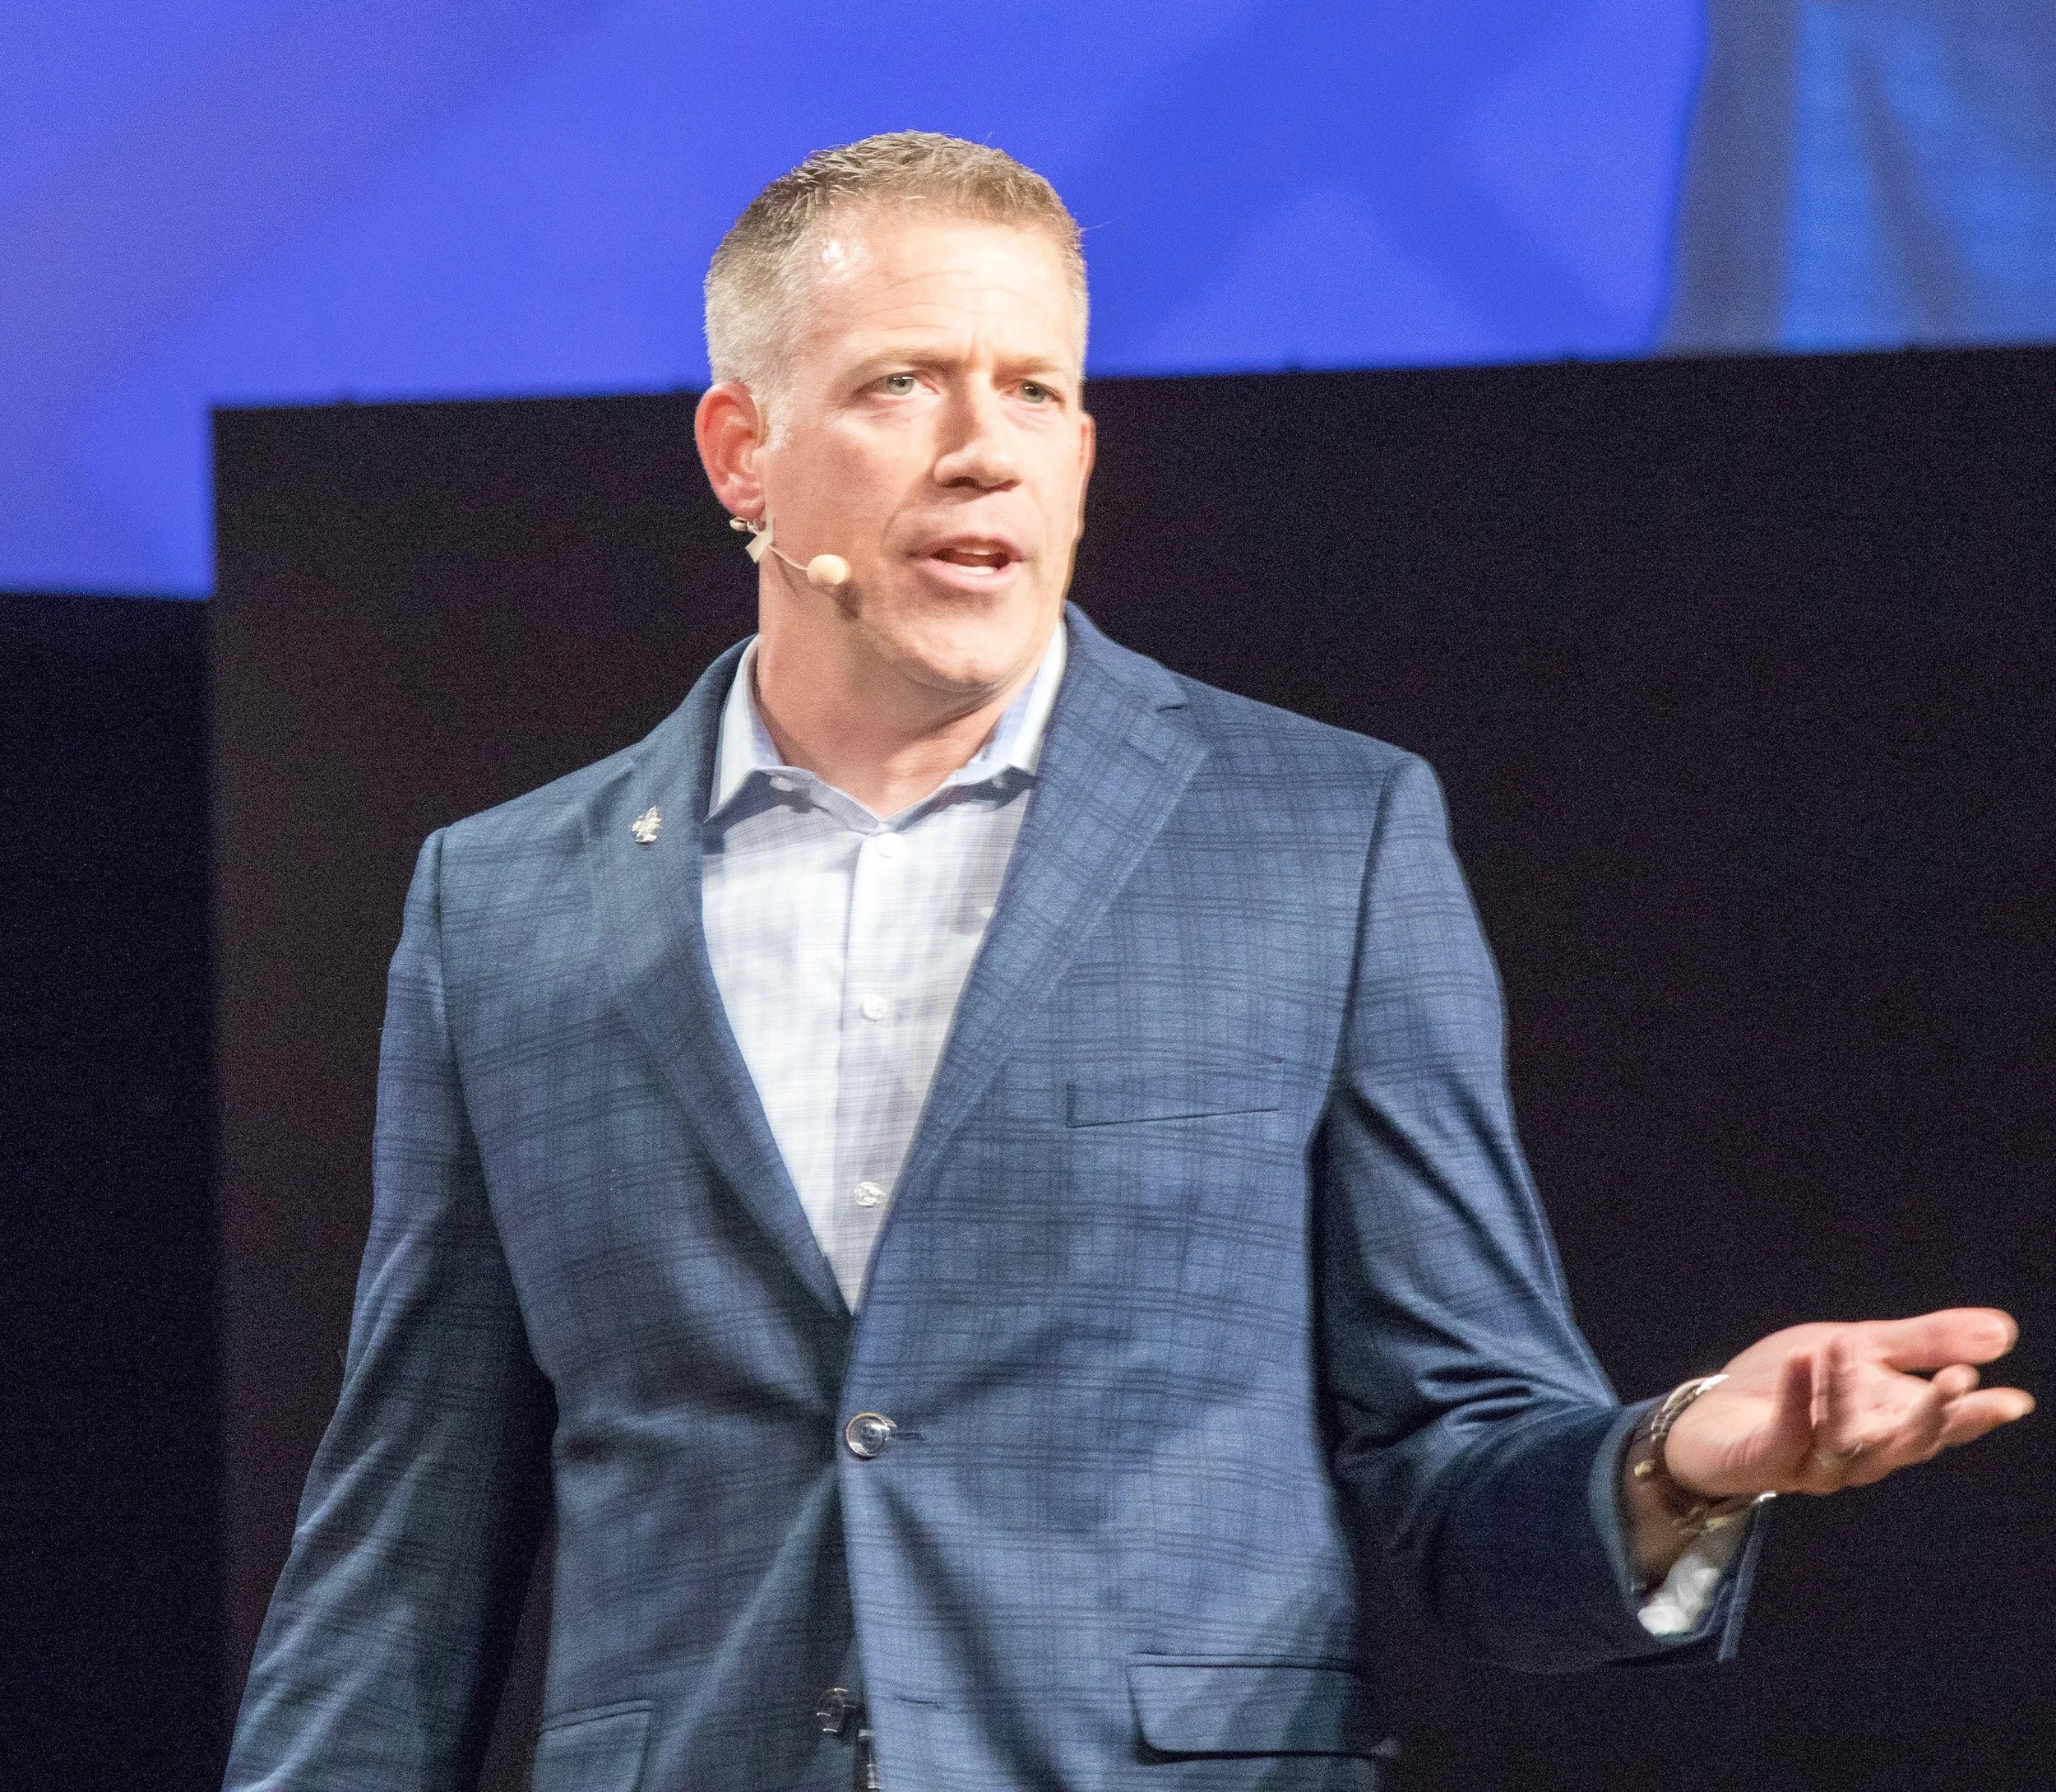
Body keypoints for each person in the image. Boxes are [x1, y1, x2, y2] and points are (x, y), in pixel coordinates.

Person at [222, 133, 2032, 1792]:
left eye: (1035, 388)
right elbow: (404, 1548)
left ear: (1083, 451)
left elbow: (1458, 1459)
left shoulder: (1316, 838)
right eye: (901, 383)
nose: (982, 445)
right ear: (741, 452)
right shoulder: (507, 899)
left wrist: (1676, 1464)